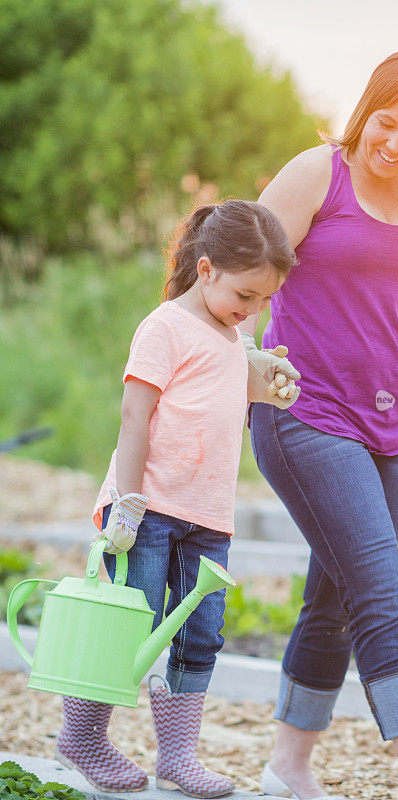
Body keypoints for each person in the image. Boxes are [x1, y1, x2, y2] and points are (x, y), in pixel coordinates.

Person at [241, 49, 398, 800]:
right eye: (386, 125)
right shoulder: (314, 174)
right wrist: (242, 361)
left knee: (336, 599)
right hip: (306, 418)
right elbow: (241, 273)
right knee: (381, 595)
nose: (395, 146)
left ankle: (286, 766)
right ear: (366, 109)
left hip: (393, 434)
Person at [54, 199, 301, 798]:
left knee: (198, 633)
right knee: (126, 623)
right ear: (207, 268)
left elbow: (225, 398)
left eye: (264, 299)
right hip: (147, 508)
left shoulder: (232, 334)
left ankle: (179, 758)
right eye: (246, 295)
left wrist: (271, 388)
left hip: (207, 514)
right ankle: (81, 735)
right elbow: (135, 416)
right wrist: (128, 505)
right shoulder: (163, 327)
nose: (253, 309)